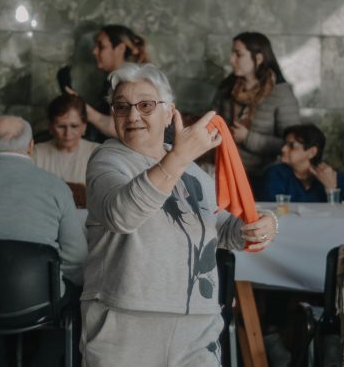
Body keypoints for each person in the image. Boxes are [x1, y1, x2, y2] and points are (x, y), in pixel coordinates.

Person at [81, 63, 277, 366]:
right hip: (127, 323)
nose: (133, 116)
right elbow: (121, 216)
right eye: (121, 107)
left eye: (145, 105)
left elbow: (219, 226)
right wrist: (179, 157)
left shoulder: (191, 168)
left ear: (169, 112)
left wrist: (257, 225)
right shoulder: (107, 159)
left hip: (197, 324)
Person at [0, 115, 87, 367]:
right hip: (42, 303)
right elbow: (76, 259)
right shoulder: (56, 187)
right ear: (31, 146)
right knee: (75, 293)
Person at [211, 32, 300, 197]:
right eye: (232, 53)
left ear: (258, 58)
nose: (231, 60)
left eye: (238, 54)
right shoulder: (226, 87)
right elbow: (211, 122)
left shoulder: (281, 93)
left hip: (265, 178)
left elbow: (293, 145)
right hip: (227, 173)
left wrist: (247, 138)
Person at [64, 24, 149, 141]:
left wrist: (83, 108)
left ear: (120, 49)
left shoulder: (128, 81)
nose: (94, 51)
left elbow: (119, 128)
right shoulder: (113, 79)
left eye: (101, 46)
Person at [262, 124, 344, 202]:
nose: (283, 149)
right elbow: (272, 212)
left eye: (291, 145)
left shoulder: (334, 177)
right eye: (285, 144)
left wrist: (331, 189)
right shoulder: (276, 174)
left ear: (312, 152)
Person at [33, 94, 99, 185]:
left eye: (74, 126)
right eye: (61, 126)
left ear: (84, 127)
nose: (67, 133)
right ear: (50, 127)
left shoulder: (98, 153)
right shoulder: (36, 153)